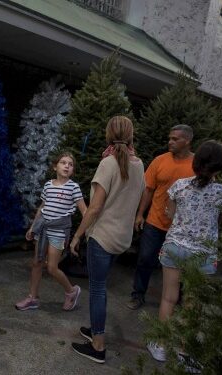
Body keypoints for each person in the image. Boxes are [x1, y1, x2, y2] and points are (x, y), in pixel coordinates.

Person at [146, 140, 222, 366]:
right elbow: (220, 221)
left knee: (168, 298)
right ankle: (185, 352)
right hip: (203, 254)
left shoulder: (179, 186)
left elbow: (171, 215)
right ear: (219, 167)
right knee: (193, 305)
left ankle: (161, 346)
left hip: (175, 247)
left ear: (196, 162)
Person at [69, 116, 145, 364]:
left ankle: (98, 346)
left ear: (108, 134)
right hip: (121, 238)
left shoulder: (108, 163)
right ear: (131, 135)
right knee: (101, 286)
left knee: (98, 290)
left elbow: (94, 208)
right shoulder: (139, 164)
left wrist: (78, 235)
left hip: (102, 237)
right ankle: (96, 328)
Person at [127, 125, 195, 310]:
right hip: (155, 222)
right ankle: (138, 294)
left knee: (180, 265)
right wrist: (140, 214)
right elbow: (148, 189)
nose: (170, 142)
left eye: (175, 139)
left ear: (187, 141)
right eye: (169, 138)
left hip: (181, 227)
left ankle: (178, 298)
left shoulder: (197, 165)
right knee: (145, 259)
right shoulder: (160, 160)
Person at [15, 152, 87, 312]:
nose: (67, 165)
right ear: (55, 166)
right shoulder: (48, 185)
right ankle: (32, 298)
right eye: (63, 162)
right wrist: (33, 227)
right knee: (37, 262)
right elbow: (42, 207)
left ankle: (71, 291)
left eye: (70, 164)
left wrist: (82, 233)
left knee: (52, 267)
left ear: (72, 170)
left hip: (59, 231)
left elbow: (85, 211)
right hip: (43, 229)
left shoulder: (73, 187)